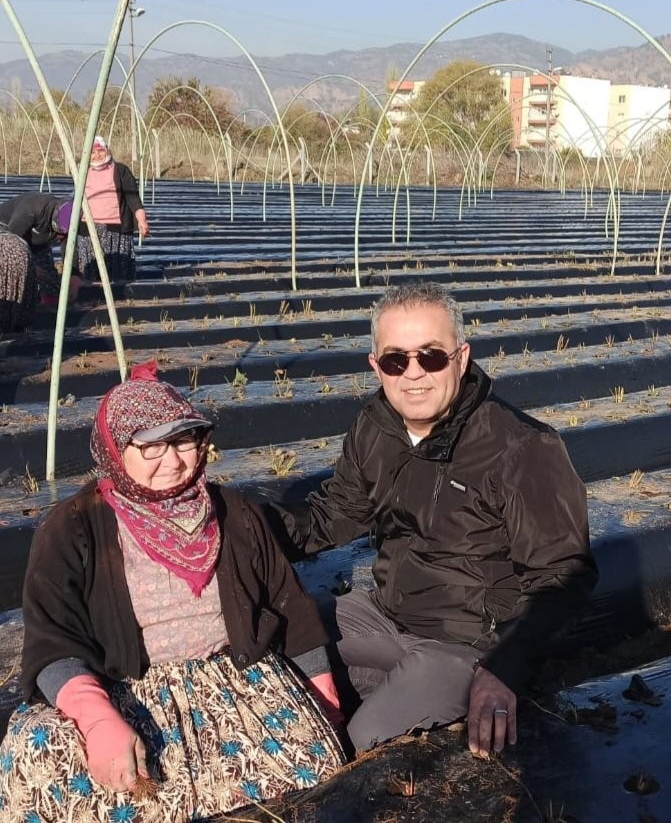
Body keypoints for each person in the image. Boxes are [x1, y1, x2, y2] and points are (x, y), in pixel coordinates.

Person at [0, 363, 343, 821]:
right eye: (151, 445)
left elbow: (291, 609)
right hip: (123, 691)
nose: (174, 460)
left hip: (232, 686)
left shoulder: (235, 513)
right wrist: (97, 717)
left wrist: (325, 700)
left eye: (185, 439)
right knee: (39, 758)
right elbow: (52, 640)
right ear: (115, 449)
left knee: (312, 772)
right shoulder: (73, 526)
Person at [271, 281, 597, 757]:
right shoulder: (375, 426)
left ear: (461, 358)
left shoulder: (522, 448)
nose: (414, 374)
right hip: (385, 612)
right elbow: (334, 513)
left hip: (469, 643)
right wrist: (238, 531)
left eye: (432, 356)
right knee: (276, 645)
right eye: (396, 360)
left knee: (367, 743)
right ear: (376, 365)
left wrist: (505, 666)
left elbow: (563, 574)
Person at [76, 135, 149, 282]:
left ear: (107, 150)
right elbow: (76, 200)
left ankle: (120, 299)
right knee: (92, 270)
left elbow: (133, 198)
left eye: (100, 151)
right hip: (89, 229)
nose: (97, 155)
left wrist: (142, 220)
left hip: (116, 231)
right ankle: (94, 299)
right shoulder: (82, 172)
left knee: (117, 273)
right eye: (92, 152)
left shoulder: (121, 170)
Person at [0, 192, 76, 331]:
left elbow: (69, 250)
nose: (59, 237)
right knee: (19, 279)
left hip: (35, 241)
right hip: (7, 239)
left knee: (50, 281)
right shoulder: (32, 208)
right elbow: (14, 243)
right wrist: (31, 267)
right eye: (58, 233)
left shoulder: (72, 216)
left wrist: (73, 275)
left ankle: (46, 305)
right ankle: (13, 317)